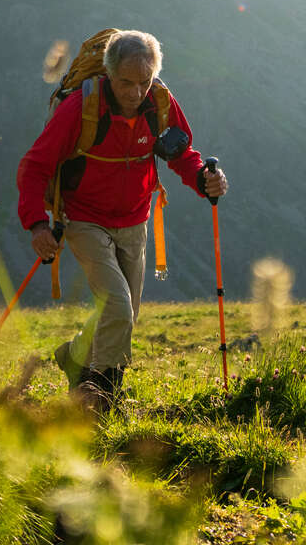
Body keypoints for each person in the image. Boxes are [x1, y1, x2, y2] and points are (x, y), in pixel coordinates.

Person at [15, 29, 227, 411]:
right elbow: (35, 166)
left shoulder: (159, 102)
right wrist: (37, 224)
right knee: (117, 305)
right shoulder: (81, 108)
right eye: (126, 82)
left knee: (123, 312)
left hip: (134, 219)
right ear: (109, 74)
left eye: (144, 81)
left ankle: (74, 356)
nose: (135, 92)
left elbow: (181, 152)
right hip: (83, 219)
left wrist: (203, 179)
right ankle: (102, 395)